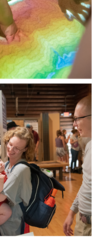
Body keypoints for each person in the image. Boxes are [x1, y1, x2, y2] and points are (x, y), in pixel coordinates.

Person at [0, 127, 35, 235]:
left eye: (17, 148)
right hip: (0, 217)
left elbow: (0, 197)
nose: (11, 149)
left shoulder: (20, 169)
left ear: (25, 149)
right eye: (10, 144)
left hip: (12, 224)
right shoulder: (5, 165)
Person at [63, 96, 91, 236]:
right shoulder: (90, 145)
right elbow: (87, 185)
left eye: (77, 119)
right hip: (83, 221)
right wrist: (72, 212)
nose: (74, 124)